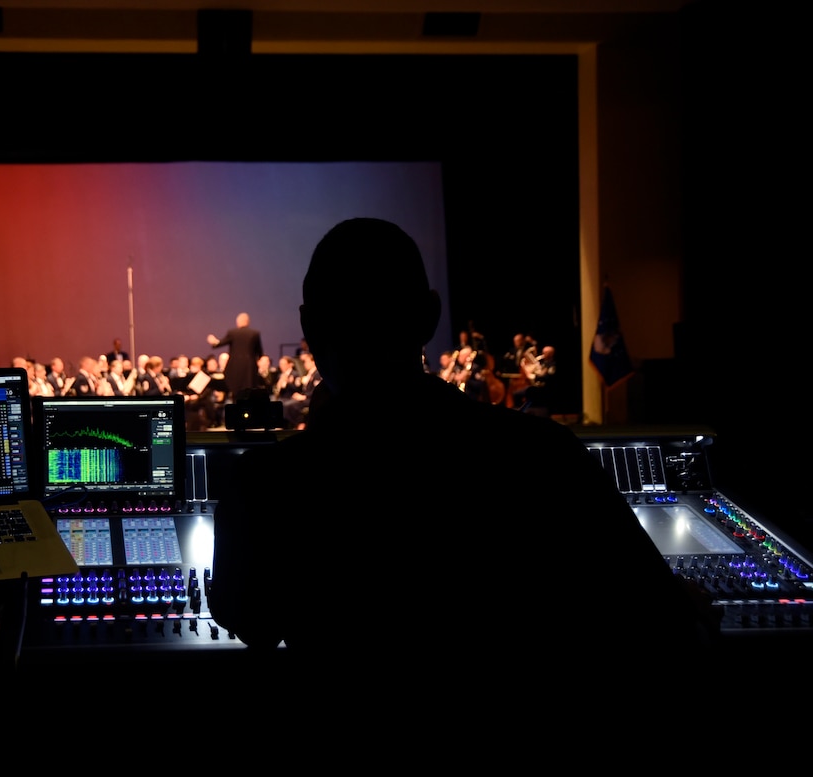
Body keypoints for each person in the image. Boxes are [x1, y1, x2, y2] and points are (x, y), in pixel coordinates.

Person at [210, 218, 717, 714]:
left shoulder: (263, 483)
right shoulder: (546, 456)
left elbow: (249, 623)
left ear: (309, 328)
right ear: (430, 317)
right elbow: (662, 623)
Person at [206, 312, 264, 401]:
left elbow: (220, 342)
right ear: (248, 322)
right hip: (249, 368)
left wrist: (214, 342)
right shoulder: (255, 333)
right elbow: (259, 351)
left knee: (236, 390)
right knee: (249, 392)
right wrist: (258, 359)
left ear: (238, 322)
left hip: (235, 368)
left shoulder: (233, 333)